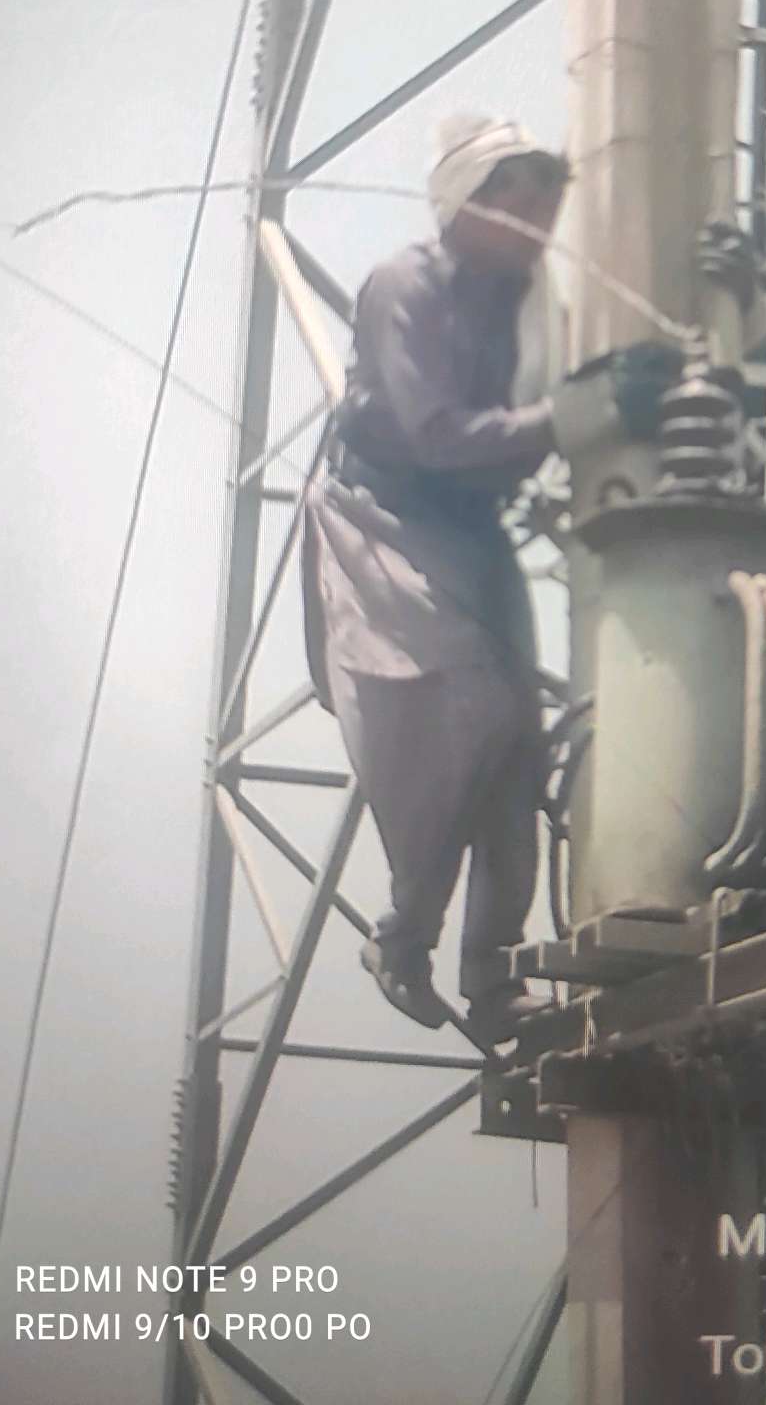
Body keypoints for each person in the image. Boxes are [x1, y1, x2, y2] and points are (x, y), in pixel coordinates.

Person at [301, 114, 675, 1047]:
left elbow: (539, 416)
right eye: (518, 200)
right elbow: (435, 433)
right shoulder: (406, 288)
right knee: (466, 713)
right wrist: (581, 413)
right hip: (384, 518)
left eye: (548, 201)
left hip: (471, 527)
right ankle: (405, 935)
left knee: (519, 746)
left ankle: (495, 975)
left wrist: (608, 397)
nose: (539, 220)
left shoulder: (536, 304)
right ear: (465, 204)